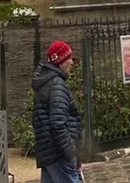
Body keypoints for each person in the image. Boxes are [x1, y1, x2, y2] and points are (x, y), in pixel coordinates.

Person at [32, 41, 81, 183]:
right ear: (60, 62)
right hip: (59, 155)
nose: (72, 62)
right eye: (69, 58)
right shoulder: (57, 85)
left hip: (49, 154)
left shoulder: (45, 83)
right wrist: (70, 152)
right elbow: (57, 124)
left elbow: (37, 120)